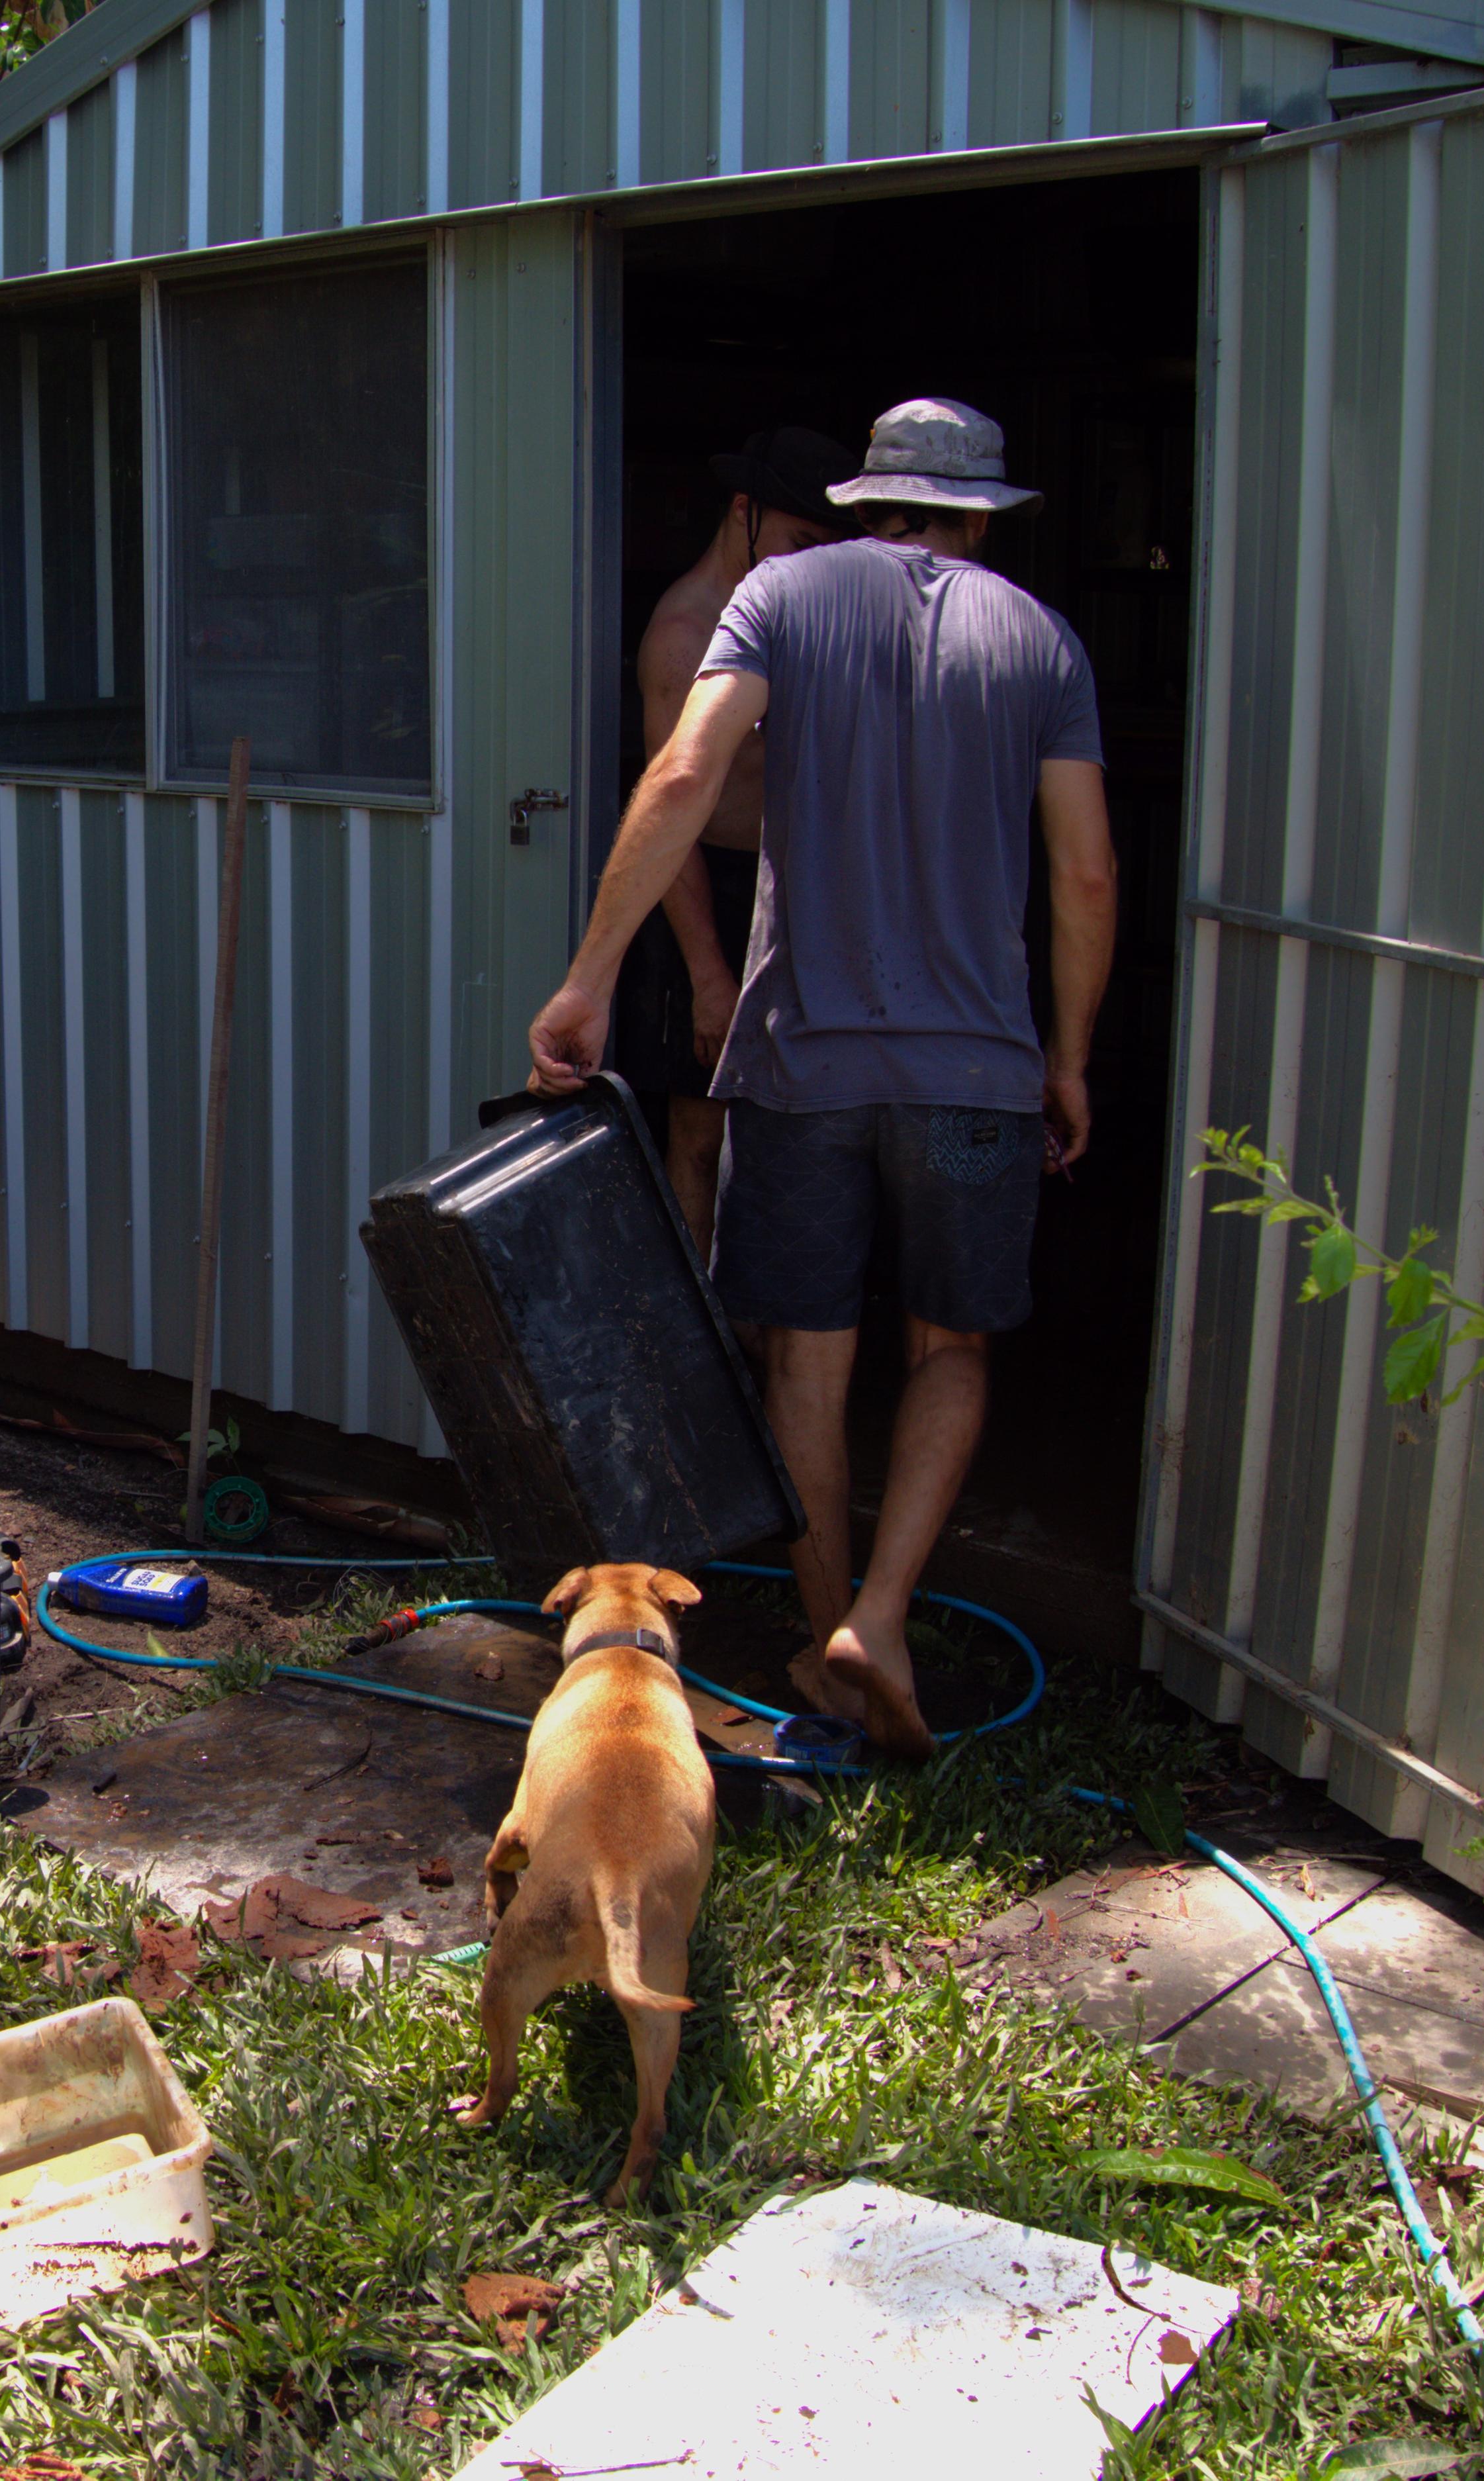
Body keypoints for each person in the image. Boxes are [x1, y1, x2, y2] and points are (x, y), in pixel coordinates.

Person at [527, 399, 1117, 1761]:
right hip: (975, 1076)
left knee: (806, 1349)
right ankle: (884, 1619)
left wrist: (590, 976)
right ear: (982, 516)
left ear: (865, 500)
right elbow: (1084, 869)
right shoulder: (1041, 639)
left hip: (800, 1066)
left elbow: (684, 770)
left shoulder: (779, 597)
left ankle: (821, 1630)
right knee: (950, 1343)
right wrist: (1069, 1055)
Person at [608, 426, 857, 1248]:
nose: (807, 563)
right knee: (697, 1124)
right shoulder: (685, 634)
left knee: (794, 1123)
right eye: (797, 542)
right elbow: (670, 810)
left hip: (792, 882)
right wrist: (708, 972)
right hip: (705, 890)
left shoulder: (804, 614)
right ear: (743, 512)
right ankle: (702, 1335)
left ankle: (763, 1321)